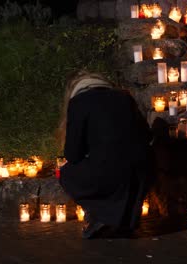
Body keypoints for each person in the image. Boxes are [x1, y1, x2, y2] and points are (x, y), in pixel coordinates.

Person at [58, 71, 153, 239]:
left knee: (65, 173)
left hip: (108, 172)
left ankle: (99, 216)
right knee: (121, 167)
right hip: (142, 171)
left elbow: (72, 155)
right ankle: (124, 222)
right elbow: (147, 135)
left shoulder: (78, 102)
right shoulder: (125, 98)